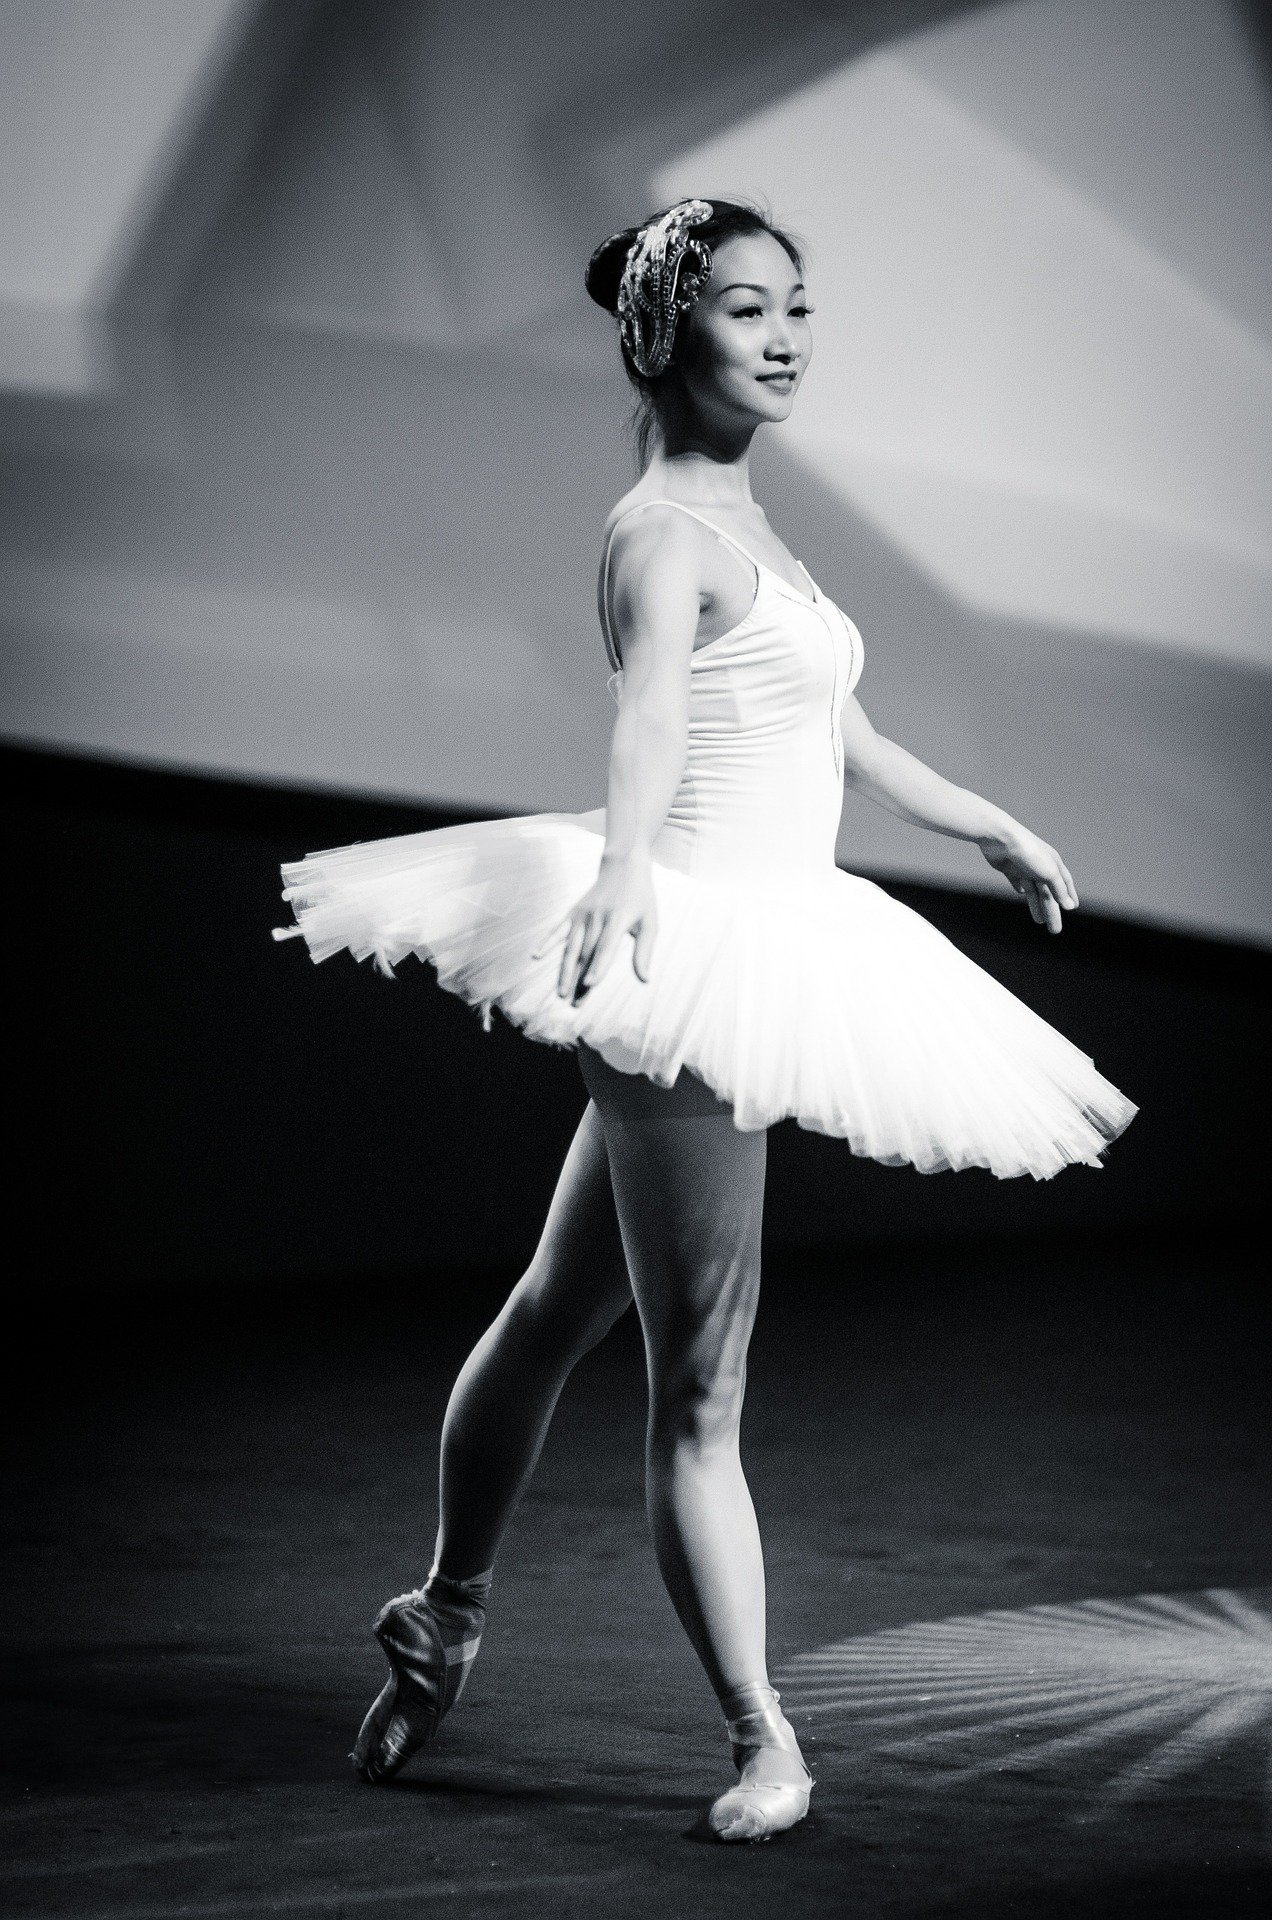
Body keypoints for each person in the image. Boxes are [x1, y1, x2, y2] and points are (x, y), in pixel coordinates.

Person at [273, 197, 1136, 1842]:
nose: (791, 334)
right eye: (751, 310)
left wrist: (985, 818)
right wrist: (624, 877)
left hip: (767, 929)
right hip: (691, 948)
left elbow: (842, 734)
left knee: (548, 1312)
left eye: (802, 305)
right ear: (667, 336)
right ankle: (765, 1739)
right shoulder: (661, 533)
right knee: (700, 1392)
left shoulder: (758, 531)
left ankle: (443, 1613)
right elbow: (654, 716)